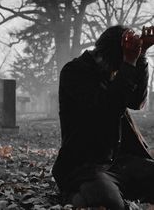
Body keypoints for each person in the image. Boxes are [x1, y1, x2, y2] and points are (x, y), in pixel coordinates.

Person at [52, 25, 154, 210]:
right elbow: (107, 108)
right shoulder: (73, 72)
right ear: (111, 56)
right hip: (84, 165)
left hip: (120, 161)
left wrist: (141, 56)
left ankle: (114, 191)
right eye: (120, 65)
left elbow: (136, 102)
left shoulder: (112, 71)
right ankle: (75, 194)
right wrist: (129, 63)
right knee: (110, 204)